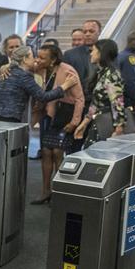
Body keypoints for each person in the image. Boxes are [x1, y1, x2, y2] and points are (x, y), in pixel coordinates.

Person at [31, 44, 84, 204]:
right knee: (46, 152)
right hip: (48, 115)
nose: (38, 60)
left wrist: (75, 122)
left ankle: (59, 192)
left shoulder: (68, 70)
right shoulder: (40, 69)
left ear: (53, 59)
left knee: (58, 153)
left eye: (42, 57)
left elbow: (79, 99)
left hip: (64, 115)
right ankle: (45, 191)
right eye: (37, 56)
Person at [0, 46, 77, 123]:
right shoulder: (23, 76)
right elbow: (43, 96)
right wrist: (65, 86)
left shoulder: (8, 71)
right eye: (33, 57)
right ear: (25, 59)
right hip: (8, 118)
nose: (35, 60)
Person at [74, 39, 126, 145]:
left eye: (93, 50)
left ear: (102, 53)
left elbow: (117, 102)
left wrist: (118, 128)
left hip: (108, 123)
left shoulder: (111, 75)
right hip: (100, 121)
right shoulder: (102, 72)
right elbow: (96, 102)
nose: (91, 54)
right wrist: (84, 123)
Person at [63, 19, 102, 93]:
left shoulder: (106, 52)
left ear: (99, 32)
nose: (87, 34)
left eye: (91, 31)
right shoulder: (70, 54)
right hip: (77, 99)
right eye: (85, 32)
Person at [117, 31, 135, 118]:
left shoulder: (120, 55)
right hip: (128, 101)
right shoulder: (130, 58)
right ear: (131, 42)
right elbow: (129, 81)